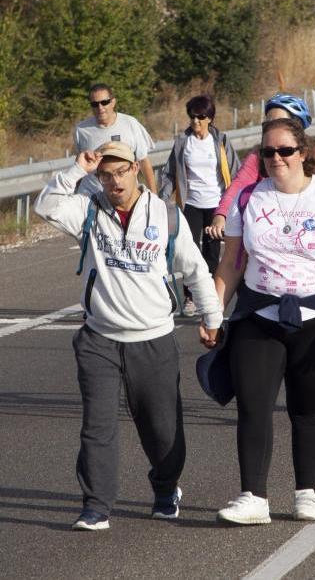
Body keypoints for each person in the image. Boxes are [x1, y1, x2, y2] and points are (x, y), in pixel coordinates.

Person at [35, 141, 223, 531]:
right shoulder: (89, 210)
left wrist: (212, 316)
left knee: (161, 427)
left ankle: (166, 486)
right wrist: (77, 170)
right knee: (97, 425)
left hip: (152, 337)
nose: (114, 181)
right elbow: (46, 205)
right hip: (99, 338)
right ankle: (96, 505)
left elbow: (195, 270)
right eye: (105, 173)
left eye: (121, 172)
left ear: (137, 169)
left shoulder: (167, 216)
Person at [209, 115, 315, 526]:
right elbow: (230, 262)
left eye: (284, 151)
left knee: (309, 410)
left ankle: (308, 494)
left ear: (304, 154)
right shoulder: (249, 199)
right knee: (253, 405)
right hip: (258, 316)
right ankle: (253, 497)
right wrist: (213, 312)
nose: (276, 158)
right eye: (267, 152)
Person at [205, 94, 315, 241]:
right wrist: (221, 215)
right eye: (267, 124)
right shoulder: (258, 154)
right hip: (265, 228)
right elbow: (238, 185)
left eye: (278, 122)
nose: (270, 128)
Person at [159, 95, 241, 316]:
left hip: (216, 205)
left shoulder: (221, 141)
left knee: (212, 252)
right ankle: (189, 297)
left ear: (210, 118)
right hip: (191, 203)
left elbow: (236, 171)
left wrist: (238, 200)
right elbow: (169, 173)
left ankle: (210, 295)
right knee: (189, 251)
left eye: (200, 117)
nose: (195, 121)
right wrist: (162, 200)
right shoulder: (182, 142)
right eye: (192, 117)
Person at [74, 84, 157, 196]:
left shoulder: (130, 123)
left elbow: (143, 161)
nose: (100, 108)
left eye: (104, 102)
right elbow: (79, 166)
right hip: (92, 198)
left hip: (124, 197)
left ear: (113, 102)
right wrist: (74, 195)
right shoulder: (81, 130)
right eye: (95, 104)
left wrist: (154, 196)